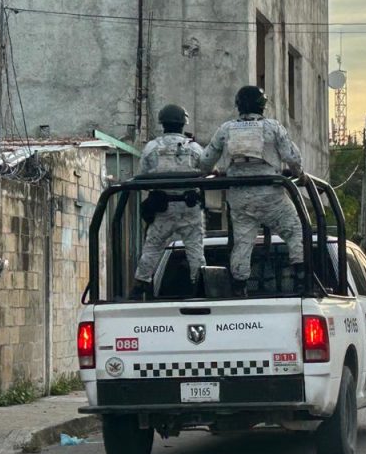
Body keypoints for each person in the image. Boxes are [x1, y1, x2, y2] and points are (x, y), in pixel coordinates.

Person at [199, 85, 306, 297]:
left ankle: (239, 287)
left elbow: (205, 161)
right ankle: (301, 278)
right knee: (295, 231)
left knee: (242, 243)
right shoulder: (273, 127)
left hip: (240, 196)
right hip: (271, 195)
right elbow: (292, 157)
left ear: (238, 105)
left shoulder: (226, 129)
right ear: (263, 106)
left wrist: (215, 172)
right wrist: (299, 174)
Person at [131, 103, 205, 298]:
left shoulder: (152, 147)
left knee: (152, 248)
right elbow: (206, 170)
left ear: (162, 123)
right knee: (195, 250)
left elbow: (142, 177)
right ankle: (201, 287)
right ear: (183, 123)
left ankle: (139, 286)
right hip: (189, 208)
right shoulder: (194, 148)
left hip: (163, 208)